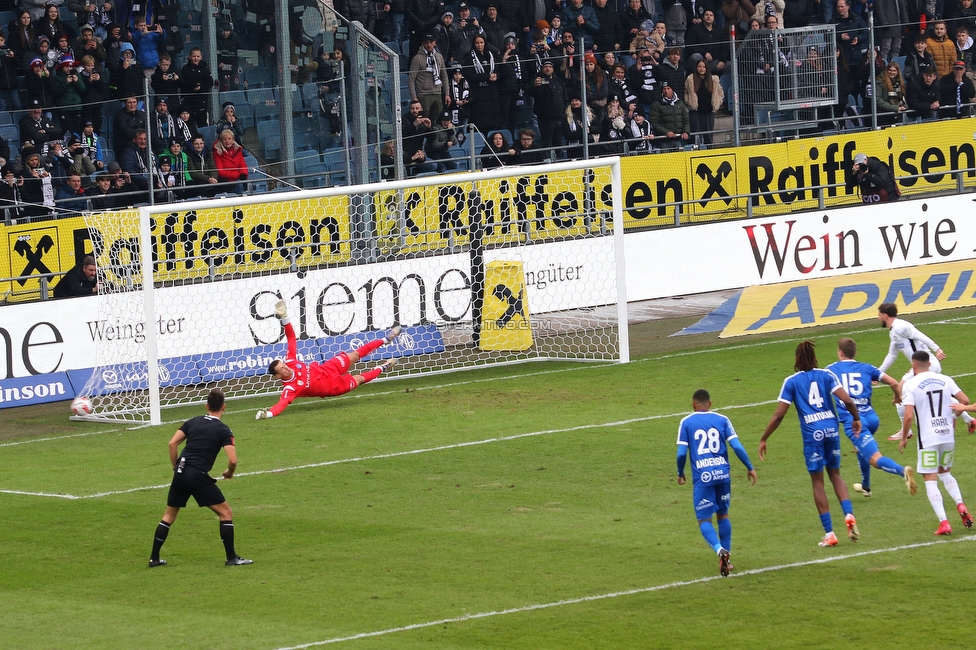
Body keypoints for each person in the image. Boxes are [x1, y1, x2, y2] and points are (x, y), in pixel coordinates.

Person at [759, 340, 862, 547]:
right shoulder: (827, 375)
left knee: (818, 482)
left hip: (812, 434)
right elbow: (848, 400)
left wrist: (764, 438)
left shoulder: (792, 381)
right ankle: (849, 514)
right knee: (836, 474)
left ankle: (830, 533)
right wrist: (856, 419)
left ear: (797, 360)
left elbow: (780, 414)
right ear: (815, 358)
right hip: (832, 430)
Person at [148, 388, 252, 567]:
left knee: (168, 516)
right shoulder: (223, 430)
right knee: (225, 512)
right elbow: (233, 459)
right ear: (224, 407)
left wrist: (175, 467)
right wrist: (230, 472)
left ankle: (154, 558)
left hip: (181, 472)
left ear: (206, 406)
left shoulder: (193, 422)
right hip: (197, 475)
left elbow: (172, 443)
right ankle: (231, 558)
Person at [255, 300, 401, 419]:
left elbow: (291, 337)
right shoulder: (290, 388)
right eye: (282, 369)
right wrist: (267, 414)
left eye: (284, 365)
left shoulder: (291, 362)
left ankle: (384, 339)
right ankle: (384, 367)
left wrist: (284, 317)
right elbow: (281, 404)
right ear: (279, 376)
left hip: (329, 368)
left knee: (355, 355)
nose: (286, 367)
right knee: (359, 379)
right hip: (332, 386)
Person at [676, 389, 757, 577]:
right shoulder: (722, 419)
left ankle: (719, 549)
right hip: (723, 475)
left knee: (704, 520)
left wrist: (680, 472)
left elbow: (681, 453)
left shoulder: (686, 422)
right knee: (723, 516)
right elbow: (736, 446)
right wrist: (750, 466)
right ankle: (726, 561)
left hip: (703, 477)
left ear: (693, 405)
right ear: (710, 404)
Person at [826, 337, 915, 499]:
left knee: (875, 459)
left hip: (854, 422)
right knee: (861, 449)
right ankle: (866, 486)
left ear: (840, 352)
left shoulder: (830, 370)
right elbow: (894, 382)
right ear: (855, 353)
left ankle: (903, 471)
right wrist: (897, 397)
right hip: (872, 418)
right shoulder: (867, 368)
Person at [899, 351, 973, 536]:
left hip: (928, 437)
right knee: (945, 473)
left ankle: (944, 522)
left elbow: (908, 415)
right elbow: (964, 401)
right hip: (947, 434)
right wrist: (955, 417)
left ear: (914, 366)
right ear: (929, 364)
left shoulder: (911, 384)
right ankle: (960, 504)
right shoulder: (945, 379)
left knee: (930, 478)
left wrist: (904, 436)